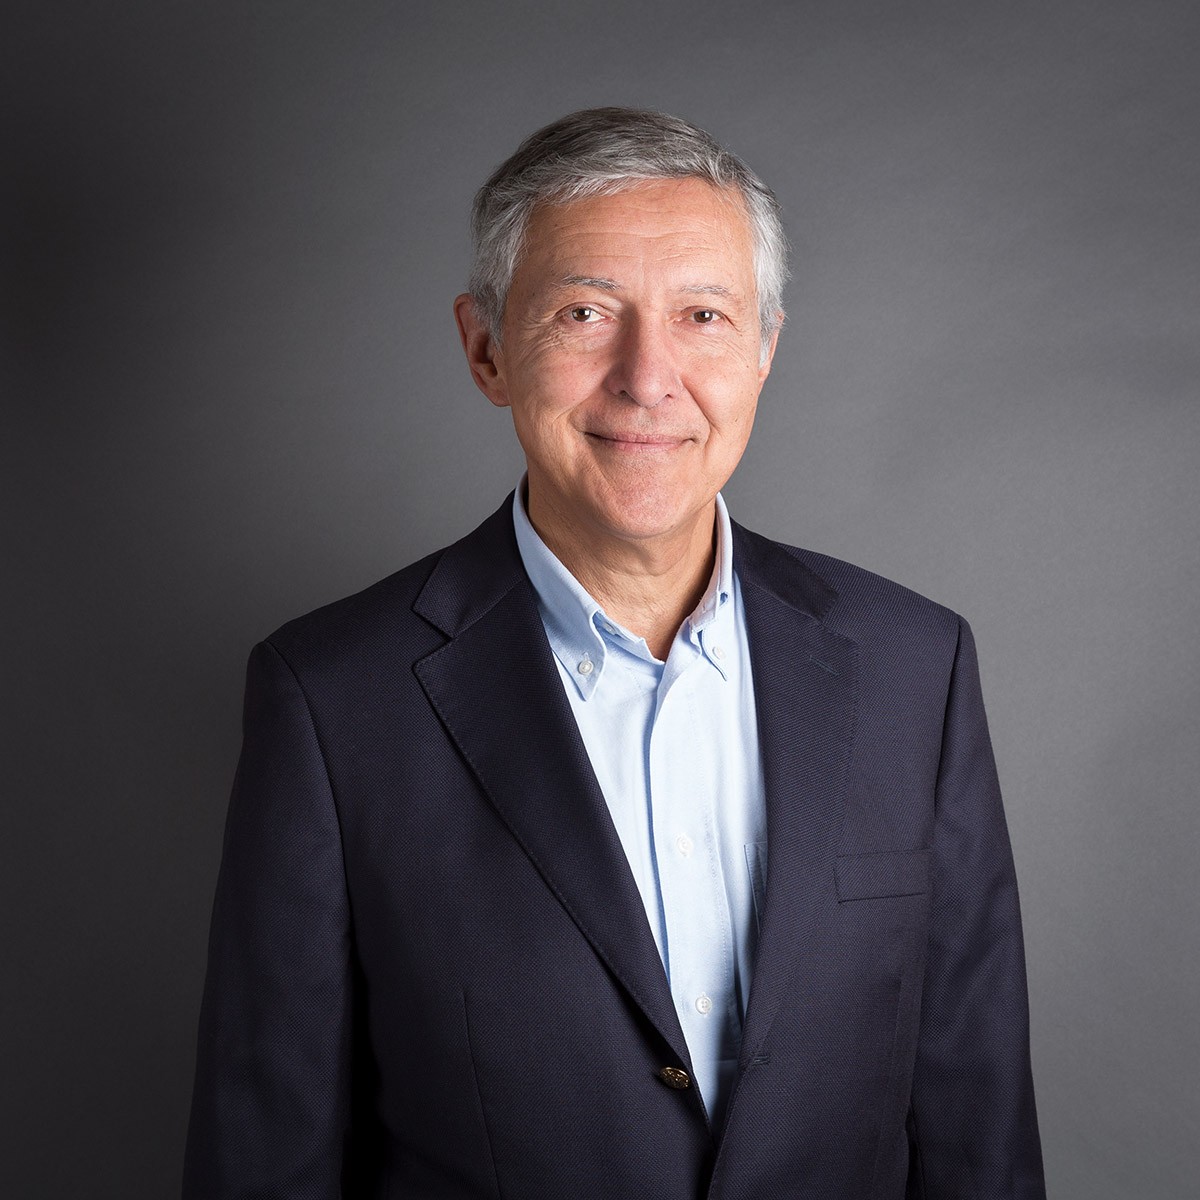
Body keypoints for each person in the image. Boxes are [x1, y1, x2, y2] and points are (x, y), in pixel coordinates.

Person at [183, 107, 1046, 1199]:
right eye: (585, 312)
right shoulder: (331, 701)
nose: (649, 377)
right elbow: (267, 1159)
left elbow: (982, 1136)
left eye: (703, 315)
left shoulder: (916, 668)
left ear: (766, 349)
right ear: (487, 348)